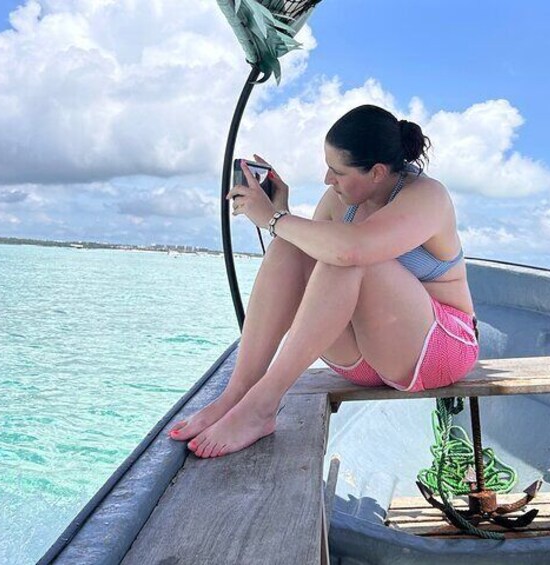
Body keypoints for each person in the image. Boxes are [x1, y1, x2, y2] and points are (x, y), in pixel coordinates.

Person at [169, 104, 479, 458]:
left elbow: (350, 251)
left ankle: (262, 406)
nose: (327, 180)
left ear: (377, 172)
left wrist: (272, 218)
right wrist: (280, 215)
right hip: (363, 359)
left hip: (437, 350)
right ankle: (238, 392)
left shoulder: (428, 196)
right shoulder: (339, 199)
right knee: (292, 245)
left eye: (338, 172)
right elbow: (306, 269)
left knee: (348, 254)